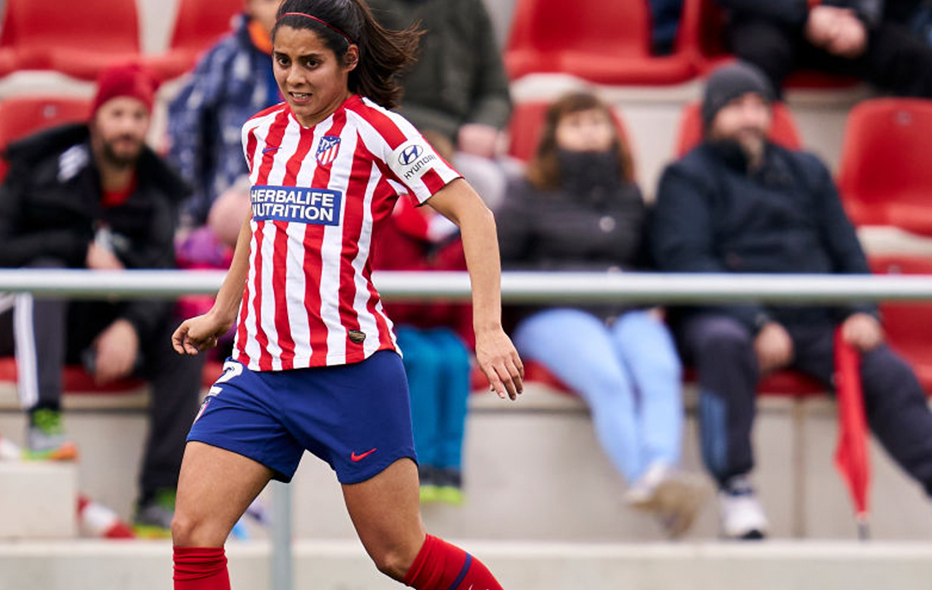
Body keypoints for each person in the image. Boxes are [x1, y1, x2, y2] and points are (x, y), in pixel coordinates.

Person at [169, 0, 524, 587]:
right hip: (258, 368)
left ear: (348, 59)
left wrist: (488, 328)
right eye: (282, 61)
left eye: (310, 62)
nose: (293, 76)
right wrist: (223, 309)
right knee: (193, 531)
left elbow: (474, 212)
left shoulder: (378, 130)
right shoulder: (261, 133)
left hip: (349, 369)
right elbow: (262, 221)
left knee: (399, 555)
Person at [653, 61, 932, 540]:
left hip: (813, 315)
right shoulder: (686, 177)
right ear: (712, 114)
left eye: (759, 106)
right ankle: (734, 485)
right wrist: (756, 321)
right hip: (723, 314)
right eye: (737, 106)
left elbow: (846, 247)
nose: (750, 117)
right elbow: (686, 261)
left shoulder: (808, 170)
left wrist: (862, 310)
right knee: (723, 344)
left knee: (885, 371)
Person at [0, 62, 204, 538]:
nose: (128, 127)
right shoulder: (44, 166)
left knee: (182, 336)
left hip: (91, 321)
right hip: (6, 308)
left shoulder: (157, 192)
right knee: (49, 273)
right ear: (97, 118)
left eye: (139, 117)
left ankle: (159, 497)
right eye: (118, 114)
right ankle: (43, 422)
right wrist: (77, 248)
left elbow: (161, 276)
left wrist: (130, 328)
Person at [495, 90, 708, 538]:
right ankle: (649, 481)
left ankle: (659, 475)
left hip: (625, 310)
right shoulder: (526, 190)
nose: (590, 132)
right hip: (553, 313)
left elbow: (648, 257)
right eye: (576, 124)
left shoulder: (628, 191)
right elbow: (498, 261)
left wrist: (653, 300)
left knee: (659, 367)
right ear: (554, 136)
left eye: (597, 122)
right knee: (607, 376)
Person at [372, 183, 473, 506]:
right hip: (398, 328)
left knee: (456, 360)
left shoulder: (458, 232)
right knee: (425, 362)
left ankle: (451, 465)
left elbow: (469, 296)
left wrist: (473, 342)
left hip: (443, 329)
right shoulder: (387, 224)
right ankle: (422, 463)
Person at [364, 0, 512, 208]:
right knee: (485, 180)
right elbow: (366, 98)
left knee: (518, 180)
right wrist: (455, 132)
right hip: (395, 142)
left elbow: (495, 90)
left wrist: (485, 124)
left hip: (461, 141)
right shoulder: (367, 7)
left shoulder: (469, 6)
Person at [167, 0, 284, 229]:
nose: (279, 8)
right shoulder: (224, 58)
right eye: (269, 1)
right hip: (230, 207)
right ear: (249, 7)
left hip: (293, 204)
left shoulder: (317, 62)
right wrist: (191, 213)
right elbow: (186, 132)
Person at [716, 0, 932, 97]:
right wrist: (803, 15)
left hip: (839, 19)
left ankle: (908, 164)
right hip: (769, 18)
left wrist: (860, 18)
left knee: (914, 58)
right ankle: (770, 173)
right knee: (762, 58)